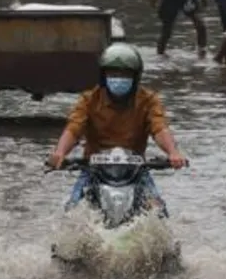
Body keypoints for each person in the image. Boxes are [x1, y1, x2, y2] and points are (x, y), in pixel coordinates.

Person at [48, 43, 188, 207]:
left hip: (135, 170)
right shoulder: (89, 100)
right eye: (113, 73)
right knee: (73, 208)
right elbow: (74, 128)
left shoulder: (148, 100)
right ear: (103, 76)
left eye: (125, 74)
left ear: (135, 77)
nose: (119, 78)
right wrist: (60, 152)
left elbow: (159, 127)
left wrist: (173, 152)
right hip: (94, 169)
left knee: (158, 210)